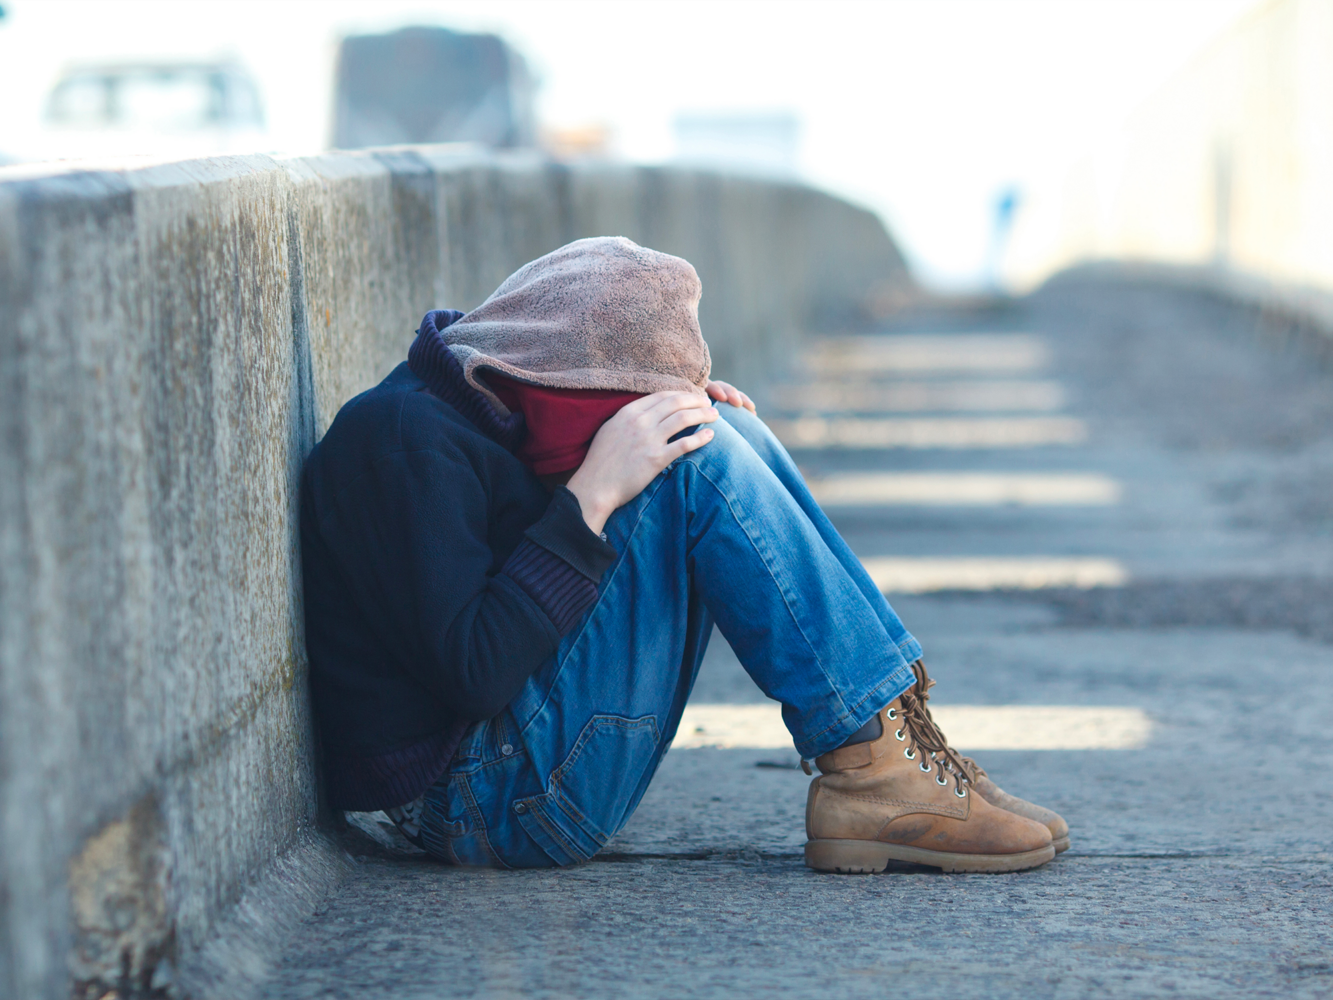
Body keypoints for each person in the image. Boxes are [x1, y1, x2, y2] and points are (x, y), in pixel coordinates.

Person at [300, 237, 1068, 874]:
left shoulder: (495, 406)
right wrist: (589, 497)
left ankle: (894, 742)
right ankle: (870, 769)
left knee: (720, 433)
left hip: (519, 761)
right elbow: (472, 672)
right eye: (616, 404)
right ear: (551, 379)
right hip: (481, 800)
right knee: (696, 461)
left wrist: (676, 415)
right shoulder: (399, 440)